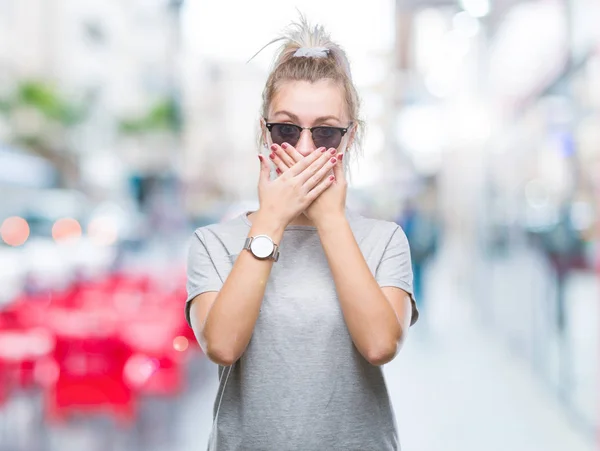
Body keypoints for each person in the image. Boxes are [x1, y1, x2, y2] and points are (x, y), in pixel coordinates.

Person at [185, 17, 419, 451]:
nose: (306, 149)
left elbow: (380, 344)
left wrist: (331, 221)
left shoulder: (385, 240)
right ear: (265, 131)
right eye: (287, 130)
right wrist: (269, 223)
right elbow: (222, 345)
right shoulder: (213, 243)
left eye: (326, 131)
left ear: (349, 140)